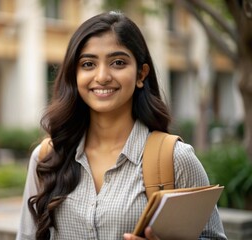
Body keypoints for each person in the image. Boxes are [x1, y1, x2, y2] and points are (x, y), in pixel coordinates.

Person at [17, 11, 227, 240]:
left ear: (141, 74)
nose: (102, 76)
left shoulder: (175, 158)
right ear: (74, 75)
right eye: (88, 64)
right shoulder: (48, 157)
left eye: (118, 62)